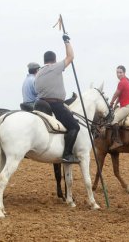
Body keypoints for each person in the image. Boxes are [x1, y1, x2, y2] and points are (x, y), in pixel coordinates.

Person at [34, 33, 80, 164]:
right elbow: (70, 56)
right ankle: (67, 154)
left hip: (40, 104)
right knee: (74, 127)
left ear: (44, 60)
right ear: (54, 60)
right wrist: (67, 41)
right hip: (55, 105)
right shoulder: (54, 67)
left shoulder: (38, 73)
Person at [109, 65, 129, 150]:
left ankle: (117, 141)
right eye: (117, 72)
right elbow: (119, 97)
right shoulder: (127, 81)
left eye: (120, 72)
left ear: (124, 73)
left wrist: (111, 103)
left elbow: (116, 94)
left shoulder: (122, 82)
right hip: (128, 105)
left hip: (127, 106)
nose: (119, 74)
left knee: (113, 120)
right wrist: (114, 105)